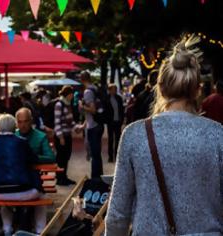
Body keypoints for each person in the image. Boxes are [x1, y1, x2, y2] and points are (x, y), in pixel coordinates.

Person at [105, 37, 223, 235]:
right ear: (197, 90)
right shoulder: (217, 135)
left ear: (159, 88)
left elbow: (118, 213)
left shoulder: (135, 135)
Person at [0, 114, 46, 236]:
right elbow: (34, 159)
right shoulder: (22, 142)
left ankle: (7, 229)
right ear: (15, 126)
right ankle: (40, 230)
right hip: (23, 190)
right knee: (42, 197)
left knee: (5, 201)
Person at [79, 72, 104, 179]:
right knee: (97, 154)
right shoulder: (95, 89)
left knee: (94, 154)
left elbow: (93, 110)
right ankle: (99, 176)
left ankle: (95, 178)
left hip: (93, 126)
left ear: (82, 79)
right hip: (99, 124)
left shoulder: (88, 92)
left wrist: (82, 106)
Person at [54, 86, 76, 186]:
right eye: (72, 94)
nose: (72, 97)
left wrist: (79, 127)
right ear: (68, 94)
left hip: (67, 135)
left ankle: (64, 177)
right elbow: (57, 122)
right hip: (61, 136)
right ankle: (60, 178)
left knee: (66, 157)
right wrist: (60, 137)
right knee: (61, 158)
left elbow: (71, 122)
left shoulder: (67, 104)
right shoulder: (59, 104)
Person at [106, 84, 124, 163]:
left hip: (118, 121)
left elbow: (121, 109)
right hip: (110, 121)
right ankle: (110, 156)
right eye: (113, 89)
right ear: (109, 90)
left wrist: (122, 119)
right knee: (110, 139)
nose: (115, 91)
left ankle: (117, 156)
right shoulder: (106, 99)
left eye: (115, 89)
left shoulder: (119, 98)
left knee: (118, 139)